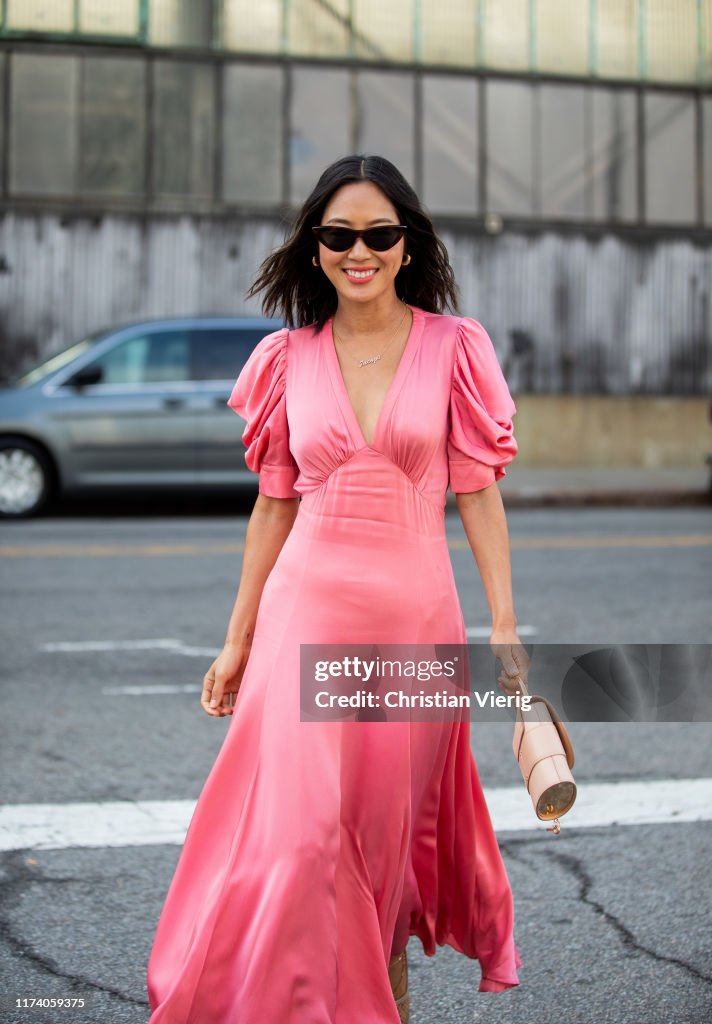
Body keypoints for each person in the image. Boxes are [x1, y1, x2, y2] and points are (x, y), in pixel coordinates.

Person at [146, 154, 525, 1023]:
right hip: (301, 619)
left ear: (407, 244)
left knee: (380, 850)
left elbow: (479, 492)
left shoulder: (454, 348)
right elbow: (271, 509)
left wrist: (504, 624)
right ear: (315, 246)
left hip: (414, 625)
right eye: (339, 234)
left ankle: (372, 1002)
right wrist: (237, 639)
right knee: (301, 836)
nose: (360, 251)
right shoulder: (286, 357)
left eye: (380, 234)